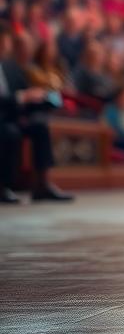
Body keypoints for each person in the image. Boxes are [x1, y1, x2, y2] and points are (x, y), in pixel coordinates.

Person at [0, 20, 75, 203]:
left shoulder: (10, 67)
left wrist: (46, 100)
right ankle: (3, 186)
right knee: (10, 133)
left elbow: (27, 94)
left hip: (12, 116)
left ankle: (42, 184)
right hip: (3, 120)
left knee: (40, 126)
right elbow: (20, 96)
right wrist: (22, 97)